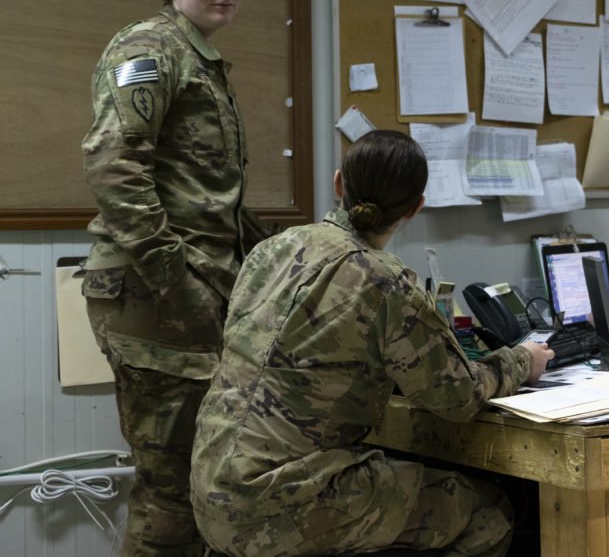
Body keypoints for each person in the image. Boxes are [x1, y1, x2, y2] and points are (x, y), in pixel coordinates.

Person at [190, 130, 554, 557]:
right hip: (279, 506)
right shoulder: (386, 280)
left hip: (210, 491)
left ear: (339, 183)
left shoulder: (270, 250)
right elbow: (458, 397)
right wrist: (520, 361)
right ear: (416, 208)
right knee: (489, 510)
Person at [80, 0, 272, 557]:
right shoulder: (150, 51)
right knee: (172, 488)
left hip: (190, 289)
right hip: (154, 294)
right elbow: (113, 165)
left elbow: (205, 193)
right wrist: (177, 283)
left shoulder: (202, 61)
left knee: (200, 480)